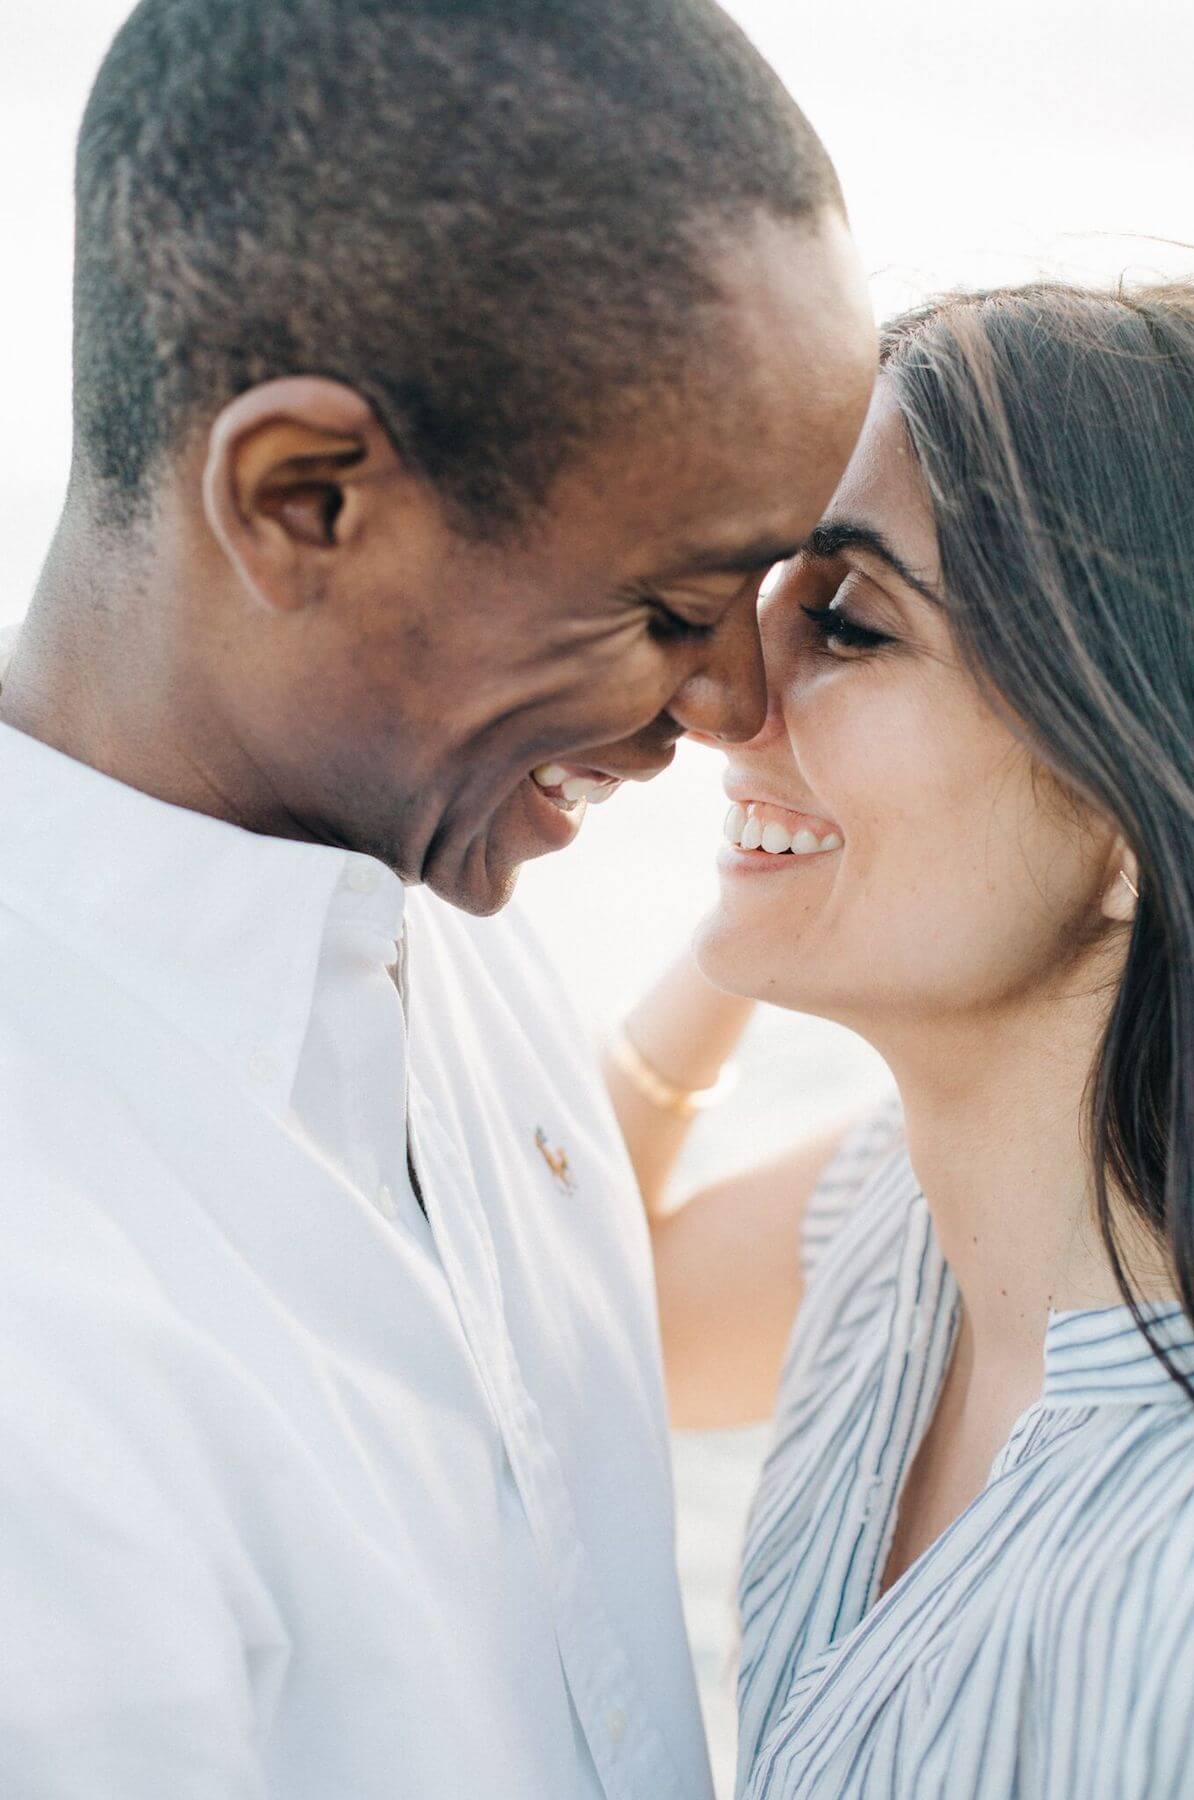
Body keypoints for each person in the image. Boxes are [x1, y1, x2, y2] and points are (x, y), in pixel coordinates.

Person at [0, 1, 879, 1794]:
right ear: (301, 498)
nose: (734, 711)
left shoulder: (420, 902)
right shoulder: (42, 1341)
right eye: (668, 609)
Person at [607, 280, 1194, 1797]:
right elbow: (600, 1319)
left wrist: (789, 850)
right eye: (759, 603)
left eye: (847, 627)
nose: (713, 694)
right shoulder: (894, 1225)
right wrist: (770, 876)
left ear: (1137, 795)